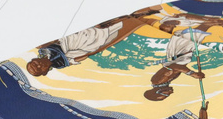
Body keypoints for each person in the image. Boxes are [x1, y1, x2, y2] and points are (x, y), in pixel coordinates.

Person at [26, 8, 160, 77]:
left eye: (34, 63)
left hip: (76, 37)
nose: (38, 65)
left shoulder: (44, 49)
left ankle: (139, 16)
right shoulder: (62, 64)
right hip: (88, 45)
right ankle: (142, 18)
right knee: (109, 33)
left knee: (105, 27)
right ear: (45, 72)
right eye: (39, 69)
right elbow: (81, 57)